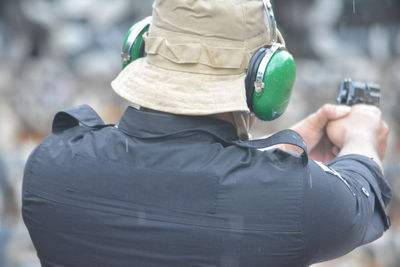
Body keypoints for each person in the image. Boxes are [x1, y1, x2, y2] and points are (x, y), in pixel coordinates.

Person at [22, 0, 391, 266]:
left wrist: (274, 153)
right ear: (266, 77)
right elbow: (362, 197)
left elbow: (173, 188)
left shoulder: (51, 168)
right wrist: (361, 136)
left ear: (138, 48)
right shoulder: (299, 202)